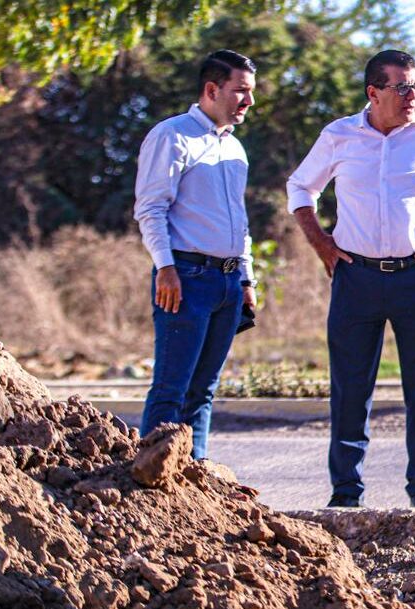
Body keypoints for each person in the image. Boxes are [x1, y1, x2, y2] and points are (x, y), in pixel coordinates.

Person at [287, 49, 415, 509]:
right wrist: (322, 243)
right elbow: (301, 187)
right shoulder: (339, 136)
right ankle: (345, 494)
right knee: (350, 389)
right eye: (401, 87)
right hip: (355, 278)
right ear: (373, 93)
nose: (411, 95)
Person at [133, 49, 259, 459]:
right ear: (211, 89)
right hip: (186, 278)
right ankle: (150, 480)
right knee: (173, 386)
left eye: (251, 92)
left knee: (204, 391)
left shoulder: (235, 149)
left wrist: (246, 278)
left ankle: (194, 477)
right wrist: (165, 268)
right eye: (240, 91)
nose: (248, 101)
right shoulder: (172, 135)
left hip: (226, 281)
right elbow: (151, 209)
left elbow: (239, 221)